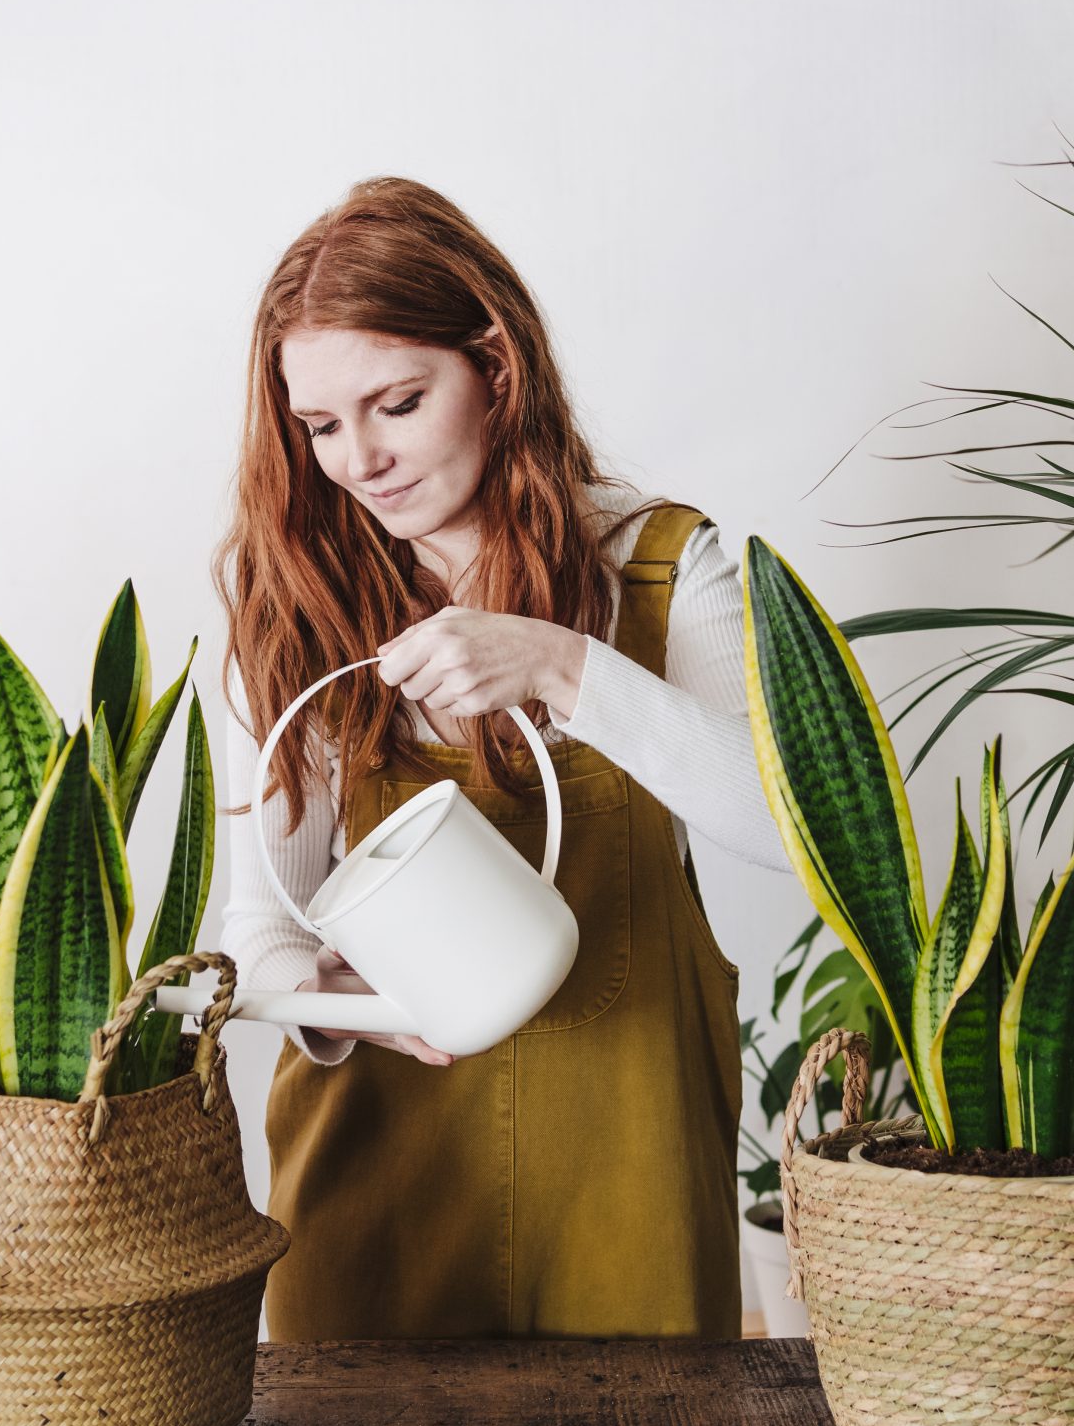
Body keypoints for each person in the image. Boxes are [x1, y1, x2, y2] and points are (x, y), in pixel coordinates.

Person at [212, 177, 790, 1342]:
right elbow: (259, 922)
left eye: (398, 402)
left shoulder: (668, 567)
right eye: (322, 427)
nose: (360, 461)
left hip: (627, 1161)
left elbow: (791, 829)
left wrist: (566, 669)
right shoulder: (307, 606)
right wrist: (327, 1006)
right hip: (375, 1168)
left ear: (497, 367)